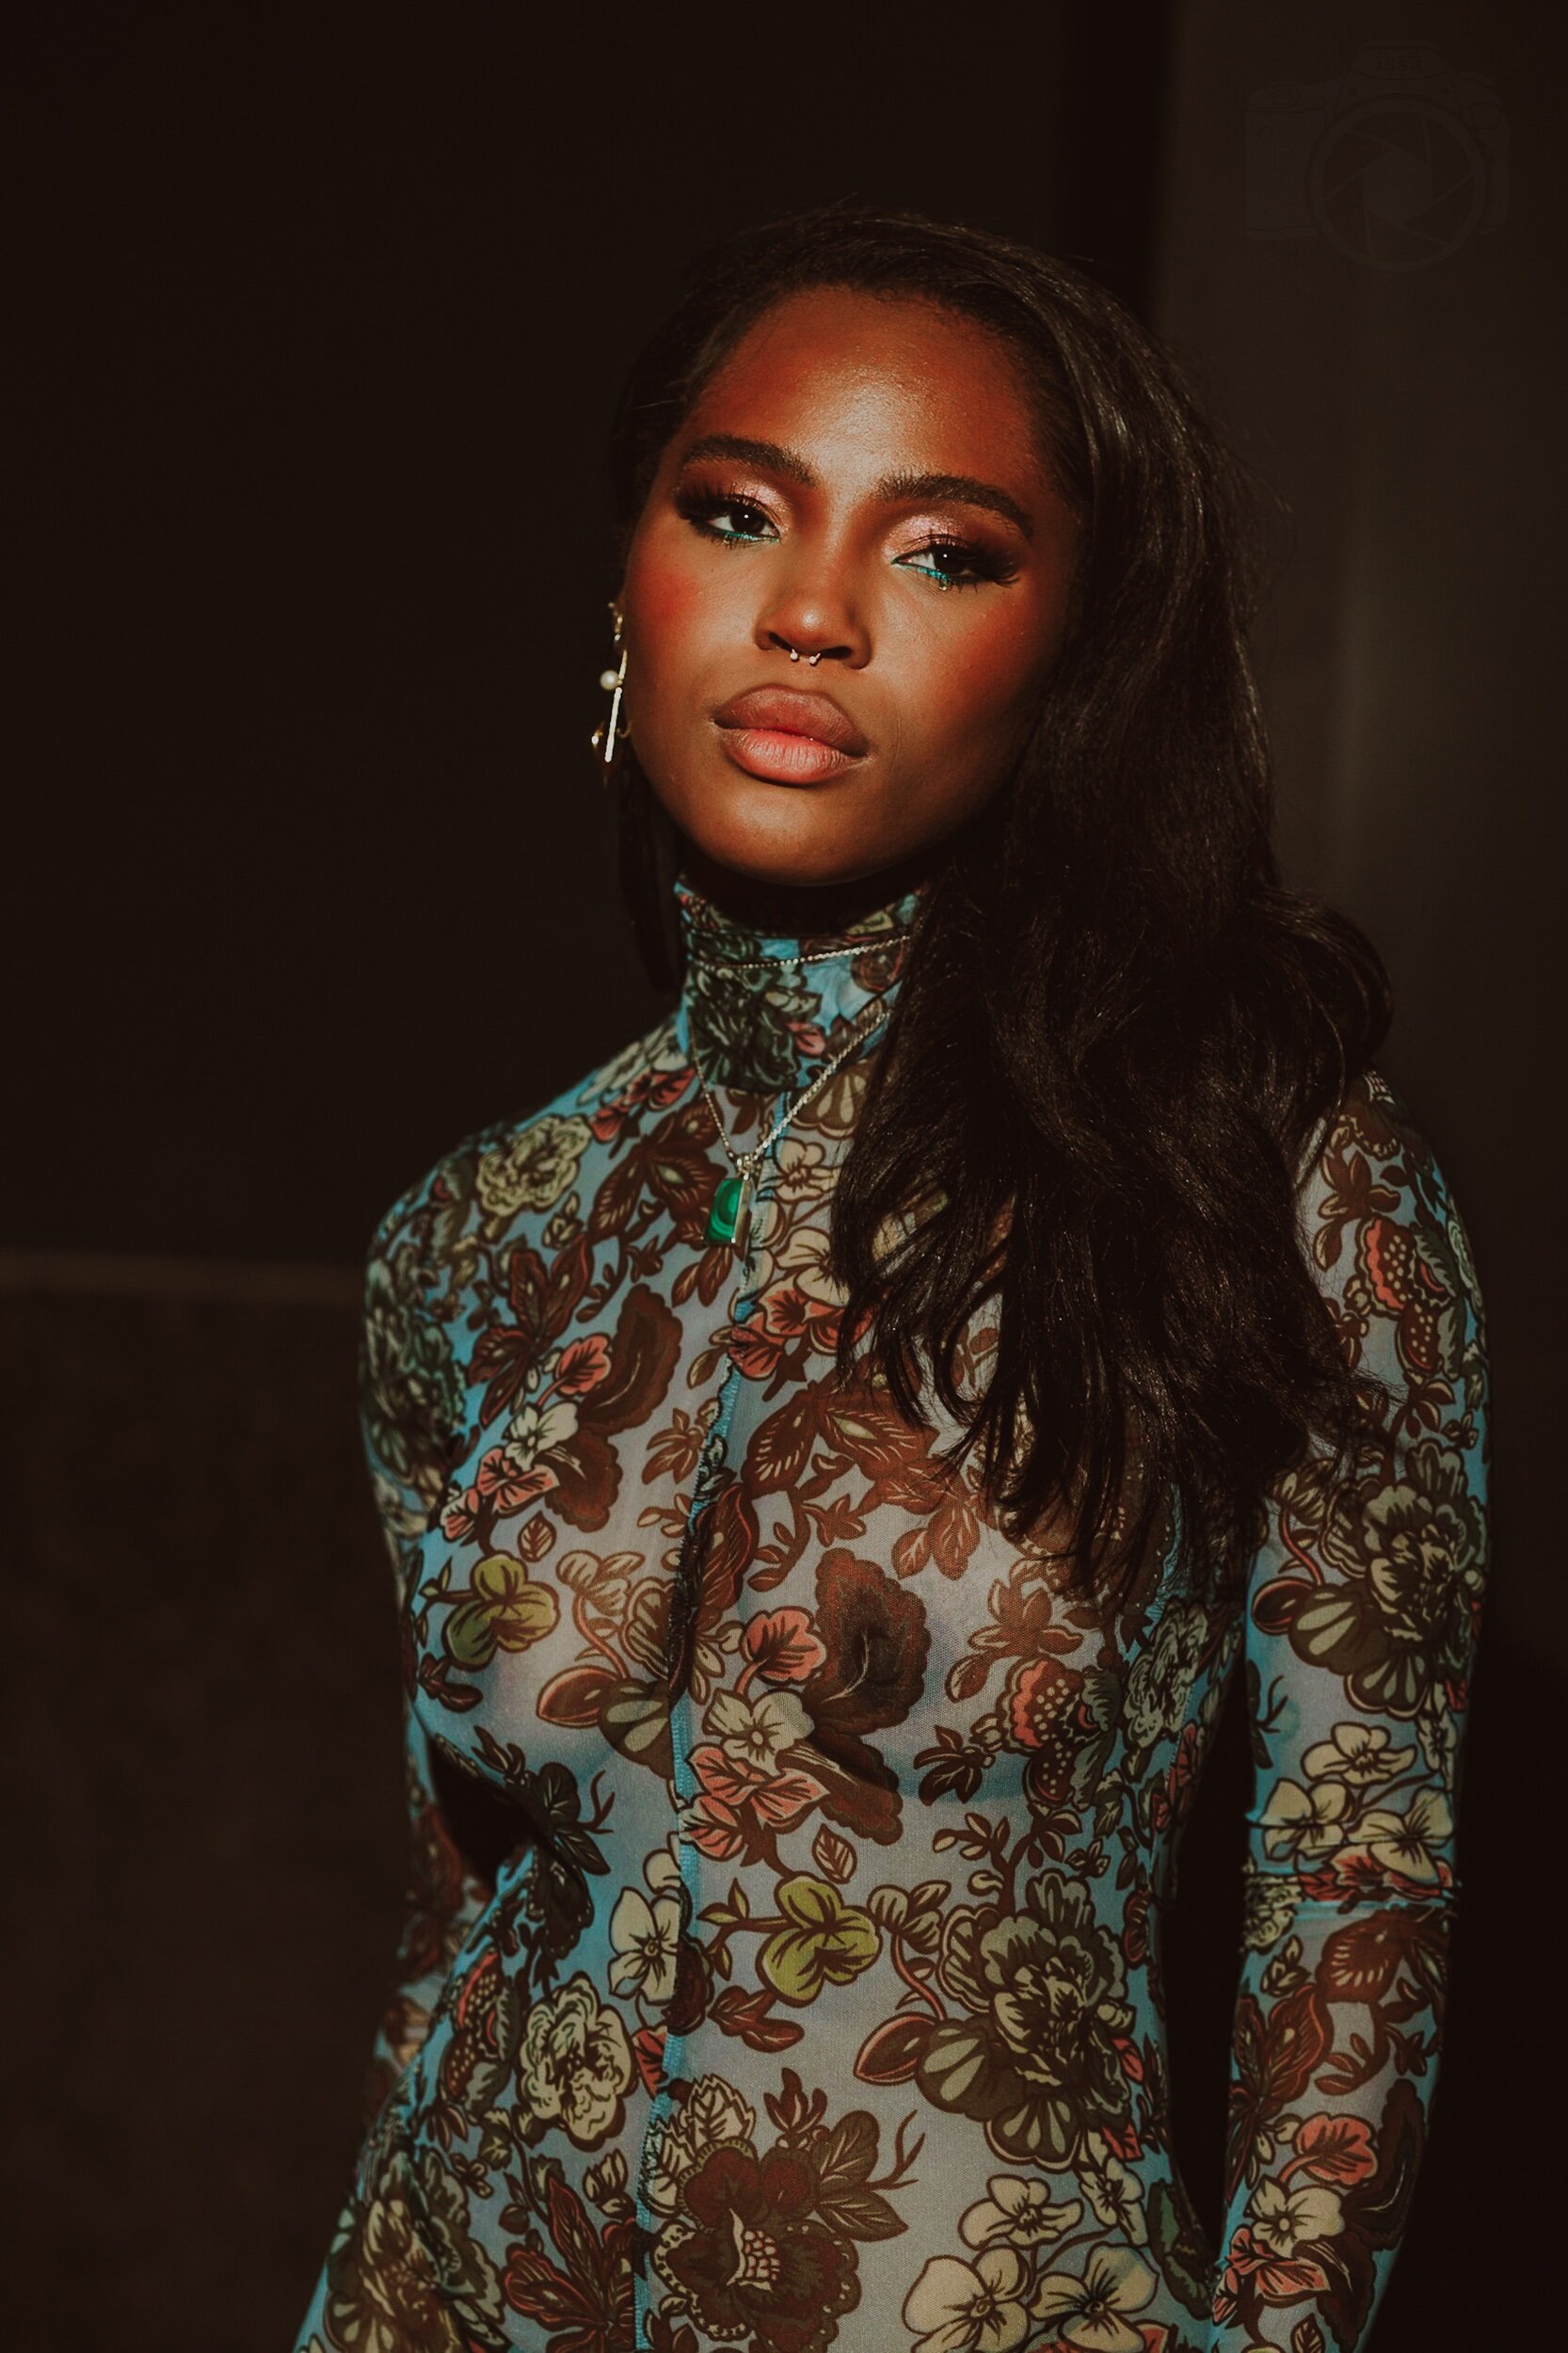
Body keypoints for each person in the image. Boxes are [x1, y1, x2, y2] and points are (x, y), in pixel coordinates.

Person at [292, 203, 1489, 2353]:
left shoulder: (1268, 1171)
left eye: (943, 550)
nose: (812, 610)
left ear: (1074, 661)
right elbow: (448, 1923)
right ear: (627, 587)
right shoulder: (472, 1239)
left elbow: (1355, 1883)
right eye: (736, 509)